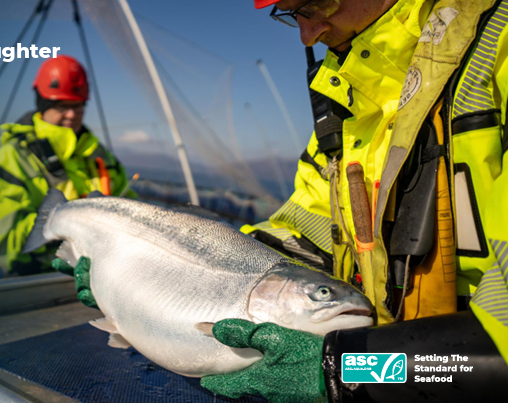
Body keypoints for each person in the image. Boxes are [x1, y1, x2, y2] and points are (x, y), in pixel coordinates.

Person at [58, 0, 508, 401]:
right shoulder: (342, 120)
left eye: (315, 4)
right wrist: (149, 273)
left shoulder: (497, 54)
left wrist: (348, 369)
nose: (307, 34)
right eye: (290, 15)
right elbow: (304, 232)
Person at [0, 55, 135, 276]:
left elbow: (130, 206)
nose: (71, 114)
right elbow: (5, 243)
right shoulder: (11, 158)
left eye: (78, 106)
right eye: (62, 106)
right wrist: (73, 226)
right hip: (37, 280)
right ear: (43, 105)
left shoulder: (102, 157)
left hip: (100, 277)